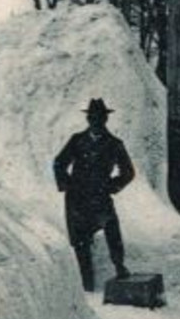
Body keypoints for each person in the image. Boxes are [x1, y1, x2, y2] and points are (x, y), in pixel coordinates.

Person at [53, 98, 136, 293]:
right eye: (93, 118)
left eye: (100, 118)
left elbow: (128, 172)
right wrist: (67, 185)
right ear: (88, 119)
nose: (96, 122)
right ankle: (86, 285)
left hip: (100, 197)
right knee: (80, 242)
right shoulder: (77, 140)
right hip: (77, 200)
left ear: (106, 120)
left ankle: (119, 266)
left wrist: (111, 186)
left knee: (112, 229)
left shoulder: (115, 144)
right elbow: (59, 163)